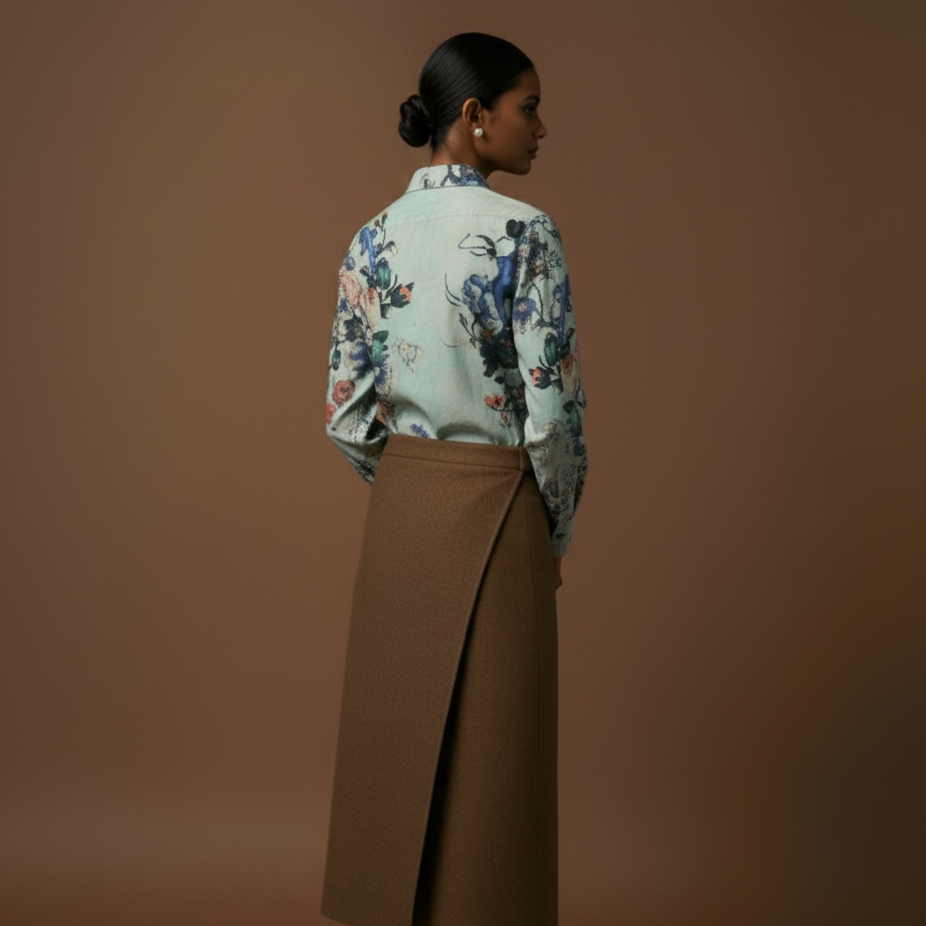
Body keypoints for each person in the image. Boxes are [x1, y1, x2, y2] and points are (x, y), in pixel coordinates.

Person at [321, 32, 587, 926]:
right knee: (498, 773)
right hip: (504, 502)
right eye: (529, 106)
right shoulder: (526, 233)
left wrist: (409, 483)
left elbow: (346, 413)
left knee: (392, 758)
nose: (542, 127)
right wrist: (550, 531)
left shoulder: (372, 237)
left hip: (403, 513)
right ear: (474, 118)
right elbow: (552, 416)